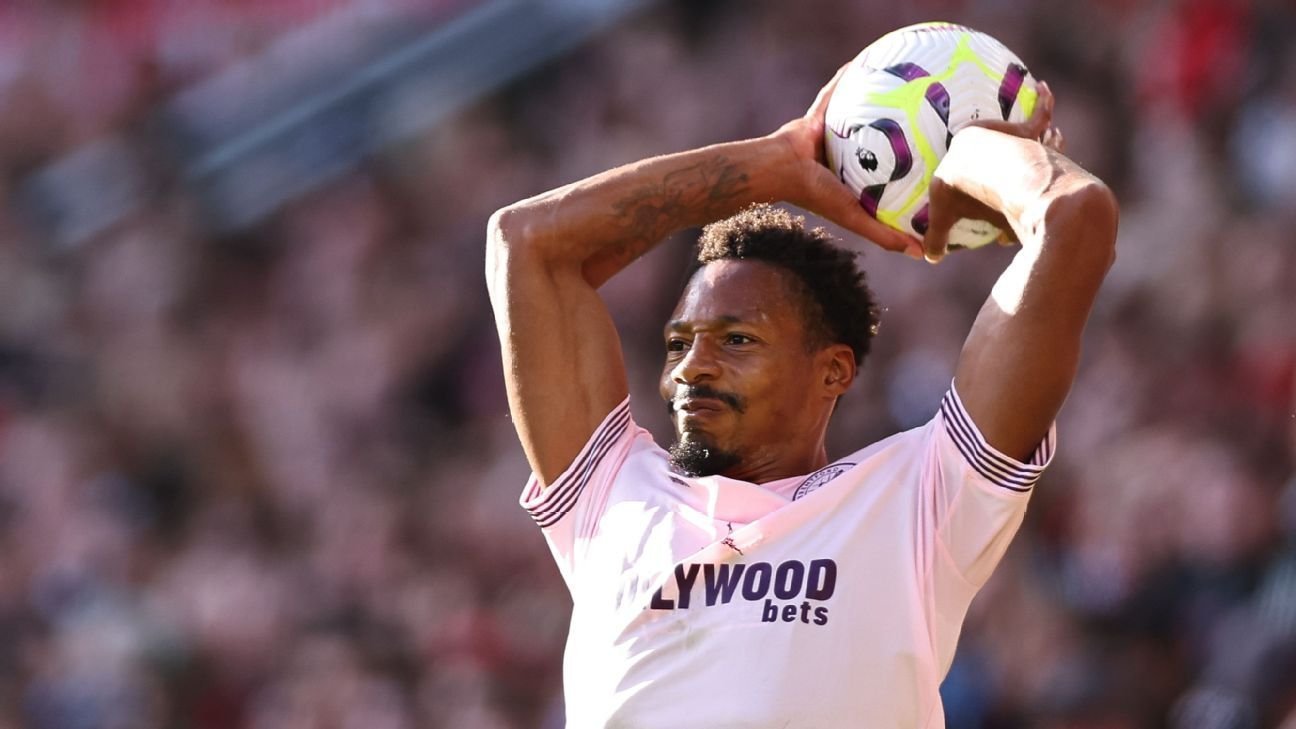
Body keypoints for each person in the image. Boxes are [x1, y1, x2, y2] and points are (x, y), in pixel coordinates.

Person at [485, 58, 1117, 728]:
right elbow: (526, 242)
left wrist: (964, 150)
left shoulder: (920, 499)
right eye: (677, 344)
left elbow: (1074, 219)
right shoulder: (614, 492)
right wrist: (777, 166)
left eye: (737, 341)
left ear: (833, 371)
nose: (692, 368)